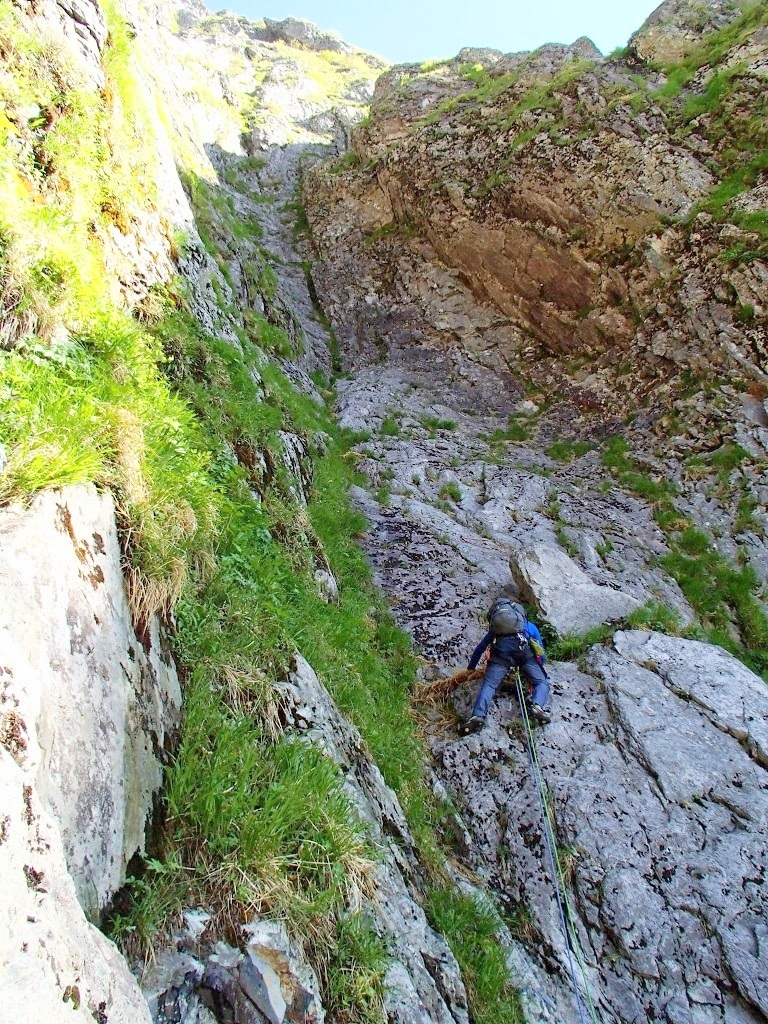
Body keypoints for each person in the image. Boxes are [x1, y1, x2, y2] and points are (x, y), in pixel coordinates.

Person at [459, 597, 551, 735]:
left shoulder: (497, 629)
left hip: (502, 656)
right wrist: (539, 668)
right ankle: (537, 705)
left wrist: (471, 668)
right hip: (525, 656)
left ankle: (478, 715)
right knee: (542, 683)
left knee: (489, 685)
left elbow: (480, 649)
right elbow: (540, 652)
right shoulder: (527, 625)